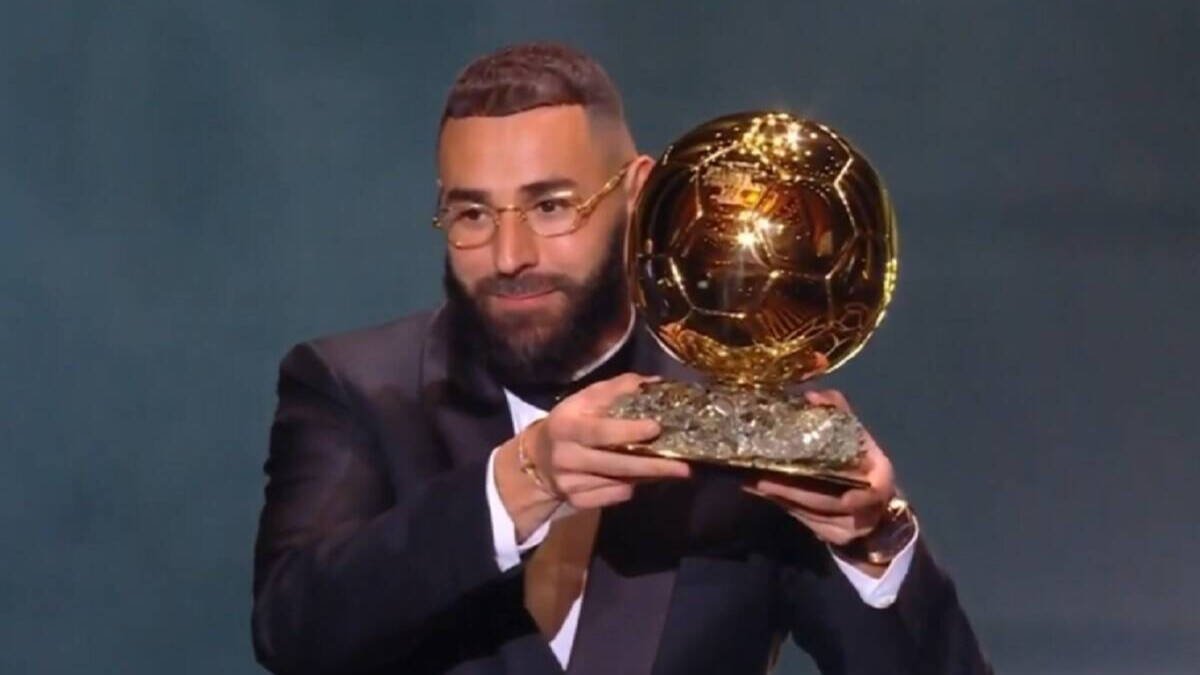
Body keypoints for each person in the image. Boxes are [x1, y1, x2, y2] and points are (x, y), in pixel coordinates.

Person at [252, 42, 991, 674]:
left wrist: (873, 541)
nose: (511, 256)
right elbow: (296, 628)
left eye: (551, 206)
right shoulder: (353, 387)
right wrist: (522, 480)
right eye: (473, 214)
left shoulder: (739, 424)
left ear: (639, 192)